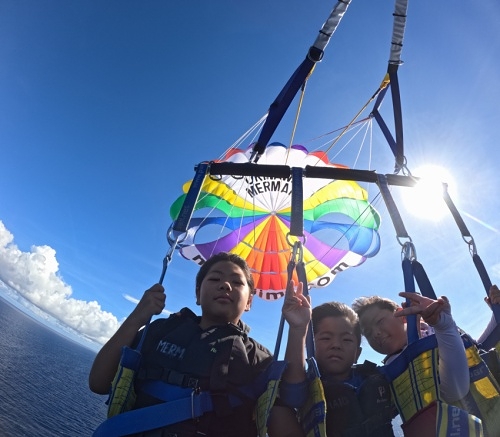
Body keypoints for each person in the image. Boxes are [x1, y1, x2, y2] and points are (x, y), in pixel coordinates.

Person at [89, 252, 307, 437]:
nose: (225, 285)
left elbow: (286, 423)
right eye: (215, 279)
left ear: (249, 301)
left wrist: (298, 331)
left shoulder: (258, 359)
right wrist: (137, 317)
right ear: (197, 294)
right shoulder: (161, 330)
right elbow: (99, 383)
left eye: (237, 282)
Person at [351, 292, 474, 436]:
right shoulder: (387, 374)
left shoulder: (436, 331)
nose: (375, 333)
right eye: (368, 332)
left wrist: (443, 324)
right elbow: (455, 391)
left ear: (402, 315)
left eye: (379, 322)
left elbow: (480, 349)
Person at [311, 301, 396, 436]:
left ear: (358, 353)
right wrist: (297, 329)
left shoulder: (380, 377)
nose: (336, 345)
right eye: (326, 338)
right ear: (309, 347)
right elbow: (292, 391)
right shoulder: (305, 387)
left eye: (346, 340)